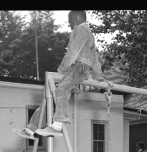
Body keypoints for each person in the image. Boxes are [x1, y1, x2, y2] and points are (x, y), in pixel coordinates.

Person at [12, 10, 101, 140]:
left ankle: (57, 126)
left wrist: (62, 69)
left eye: (69, 19)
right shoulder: (88, 34)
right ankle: (31, 130)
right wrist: (99, 76)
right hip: (76, 68)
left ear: (76, 17)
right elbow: (95, 57)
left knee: (62, 90)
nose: (69, 22)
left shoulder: (82, 29)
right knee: (51, 100)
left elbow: (73, 51)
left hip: (78, 67)